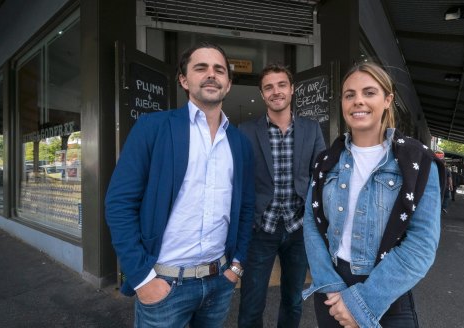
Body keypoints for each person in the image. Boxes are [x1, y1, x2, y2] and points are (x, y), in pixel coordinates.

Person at [104, 42, 255, 328]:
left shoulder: (239, 143)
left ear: (228, 84)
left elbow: (247, 207)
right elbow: (119, 204)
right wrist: (143, 278)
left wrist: (236, 266)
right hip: (163, 283)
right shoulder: (153, 127)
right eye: (201, 68)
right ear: (184, 80)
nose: (211, 74)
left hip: (219, 282)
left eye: (219, 70)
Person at [302, 62, 445, 328]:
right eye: (350, 95)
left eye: (369, 93)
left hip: (386, 291)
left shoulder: (418, 161)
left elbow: (422, 244)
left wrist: (362, 303)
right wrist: (329, 285)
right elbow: (311, 222)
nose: (358, 101)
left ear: (388, 100)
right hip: (331, 290)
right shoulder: (326, 160)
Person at [237, 63, 326, 328]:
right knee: (251, 302)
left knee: (293, 300)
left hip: (298, 229)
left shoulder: (312, 129)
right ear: (262, 94)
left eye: (281, 85)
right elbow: (237, 180)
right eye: (269, 87)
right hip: (260, 229)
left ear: (292, 89)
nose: (276, 91)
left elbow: (320, 177)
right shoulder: (245, 131)